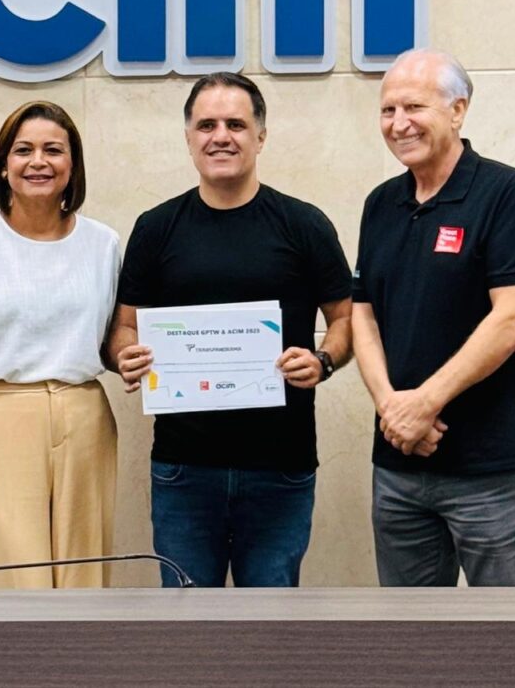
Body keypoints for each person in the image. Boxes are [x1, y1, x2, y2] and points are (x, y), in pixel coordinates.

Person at [108, 72, 353, 588]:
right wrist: (126, 354)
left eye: (236, 125)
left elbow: (347, 319)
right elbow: (124, 326)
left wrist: (323, 360)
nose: (221, 136)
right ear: (188, 138)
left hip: (280, 468)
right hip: (183, 470)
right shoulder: (156, 227)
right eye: (207, 125)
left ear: (260, 136)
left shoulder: (304, 224)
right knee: (185, 620)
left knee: (270, 622)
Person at [352, 48, 515, 587]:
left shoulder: (508, 193)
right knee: (409, 631)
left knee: (507, 629)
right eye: (388, 110)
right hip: (399, 465)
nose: (399, 124)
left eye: (414, 107)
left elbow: (514, 319)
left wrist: (423, 404)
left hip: (490, 469)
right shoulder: (380, 204)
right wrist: (392, 409)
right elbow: (362, 314)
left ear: (458, 110)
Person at [0, 101, 120, 589]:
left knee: (83, 577)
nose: (39, 161)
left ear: (73, 165)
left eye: (53, 150)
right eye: (24, 150)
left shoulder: (104, 243)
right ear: (3, 165)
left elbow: (109, 341)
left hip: (84, 417)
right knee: (7, 580)